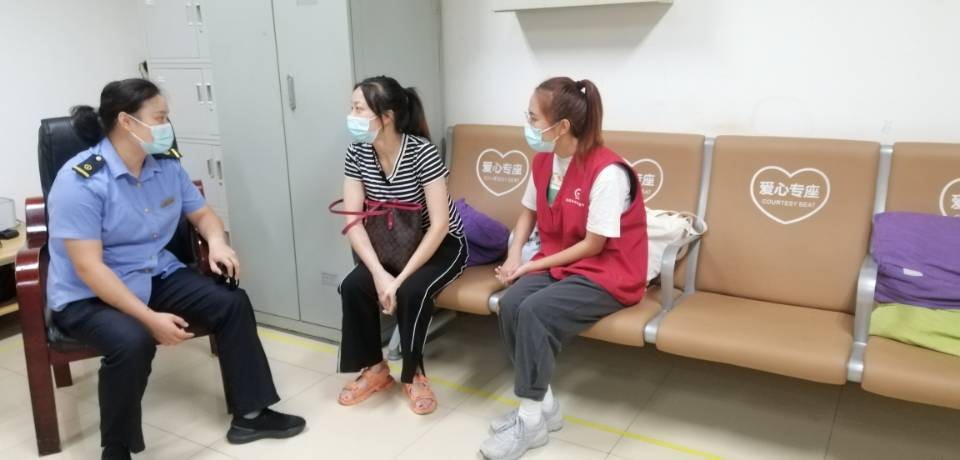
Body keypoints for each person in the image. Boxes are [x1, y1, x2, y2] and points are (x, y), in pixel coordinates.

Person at [47, 78, 305, 460]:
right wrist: (149, 319)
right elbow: (88, 268)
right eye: (159, 117)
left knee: (231, 303)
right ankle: (116, 449)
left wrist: (217, 242)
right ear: (127, 122)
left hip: (153, 274)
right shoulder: (80, 182)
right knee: (131, 341)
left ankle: (250, 416)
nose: (167, 126)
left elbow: (203, 215)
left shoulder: (166, 167)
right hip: (90, 295)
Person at [480, 77, 649, 459]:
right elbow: (528, 212)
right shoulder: (544, 160)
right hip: (563, 261)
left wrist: (529, 267)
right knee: (511, 304)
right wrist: (515, 255)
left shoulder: (608, 172)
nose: (527, 125)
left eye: (533, 118)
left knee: (535, 311)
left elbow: (594, 245)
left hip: (608, 272)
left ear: (561, 127)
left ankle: (529, 424)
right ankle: (543, 409)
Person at [336, 76, 468, 415]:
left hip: (440, 244)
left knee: (412, 291)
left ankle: (414, 375)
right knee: (352, 286)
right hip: (390, 246)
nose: (351, 116)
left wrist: (398, 280)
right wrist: (379, 274)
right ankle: (375, 369)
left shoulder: (422, 152)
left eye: (359, 109)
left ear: (387, 117)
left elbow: (439, 226)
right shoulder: (357, 152)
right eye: (352, 107)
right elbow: (353, 221)